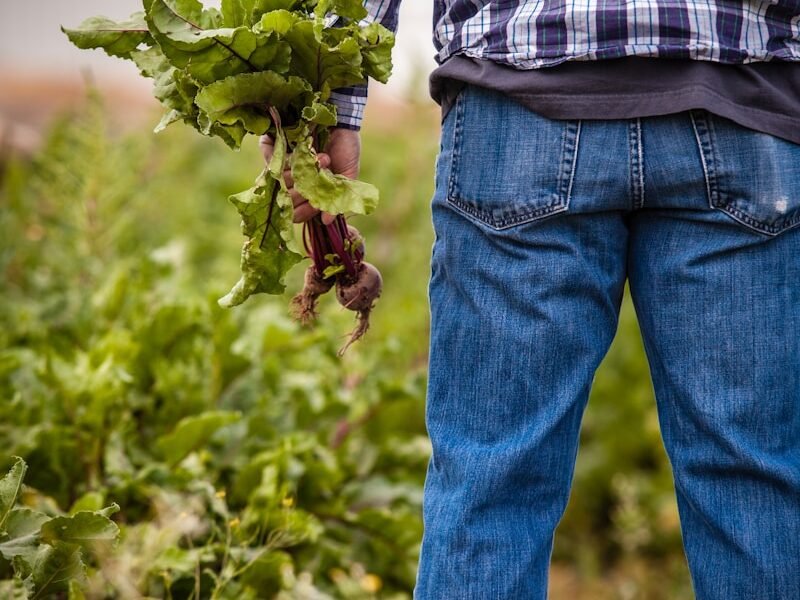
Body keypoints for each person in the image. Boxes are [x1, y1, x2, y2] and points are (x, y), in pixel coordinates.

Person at [262, 1, 800, 598]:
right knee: (756, 482)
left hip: (520, 106)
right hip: (745, 101)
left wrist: (326, 105)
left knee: (493, 483)